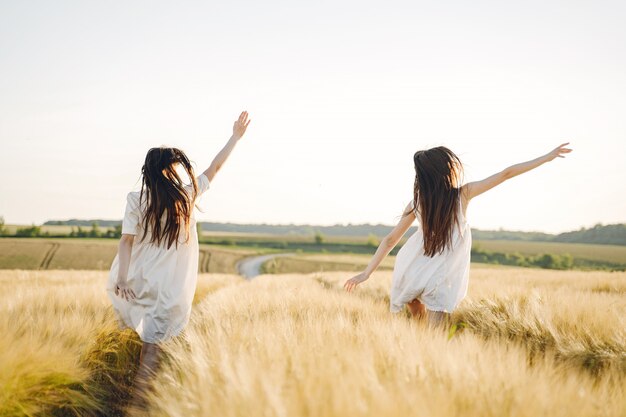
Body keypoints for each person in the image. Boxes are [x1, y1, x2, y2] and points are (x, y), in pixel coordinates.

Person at [106, 111, 251, 405]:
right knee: (153, 349)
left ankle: (132, 399)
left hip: (138, 279)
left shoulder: (136, 199)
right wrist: (235, 137)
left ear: (147, 171)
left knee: (140, 342)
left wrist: (121, 278)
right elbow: (215, 168)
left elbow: (126, 241)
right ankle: (138, 406)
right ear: (170, 172)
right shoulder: (185, 196)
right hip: (168, 287)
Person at [344, 143, 572, 326]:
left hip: (416, 268)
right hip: (443, 276)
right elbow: (506, 174)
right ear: (445, 171)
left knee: (414, 306)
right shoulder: (462, 195)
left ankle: (418, 348)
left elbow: (390, 240)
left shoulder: (417, 203)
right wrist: (546, 157)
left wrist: (366, 273)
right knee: (436, 335)